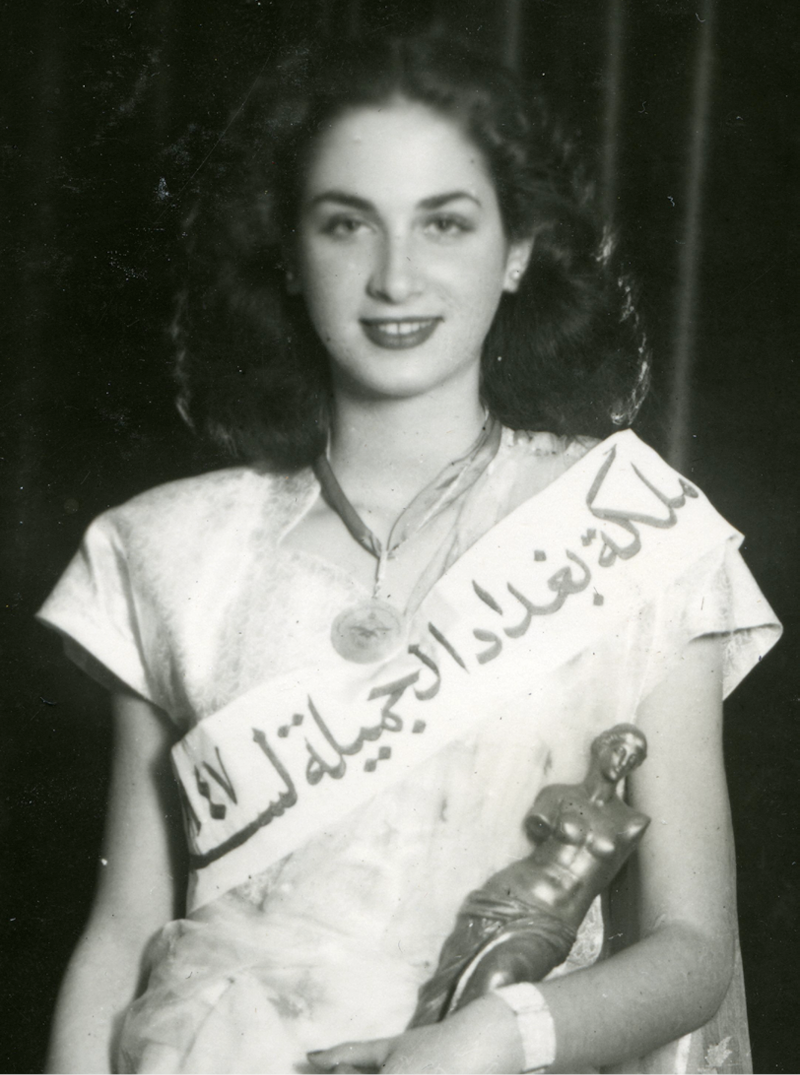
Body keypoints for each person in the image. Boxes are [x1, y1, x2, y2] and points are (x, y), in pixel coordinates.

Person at [37, 30, 781, 1075]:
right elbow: (121, 938)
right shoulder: (164, 552)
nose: (395, 276)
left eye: (445, 222)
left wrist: (493, 1038)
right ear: (288, 253)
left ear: (516, 250)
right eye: (347, 223)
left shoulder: (631, 526)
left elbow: (692, 949)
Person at [410, 724, 650, 1025]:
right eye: (619, 751)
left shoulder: (631, 823)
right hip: (503, 897)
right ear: (601, 746)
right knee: (440, 996)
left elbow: (607, 882)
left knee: (497, 978)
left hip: (553, 924)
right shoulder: (557, 795)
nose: (624, 761)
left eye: (634, 759)